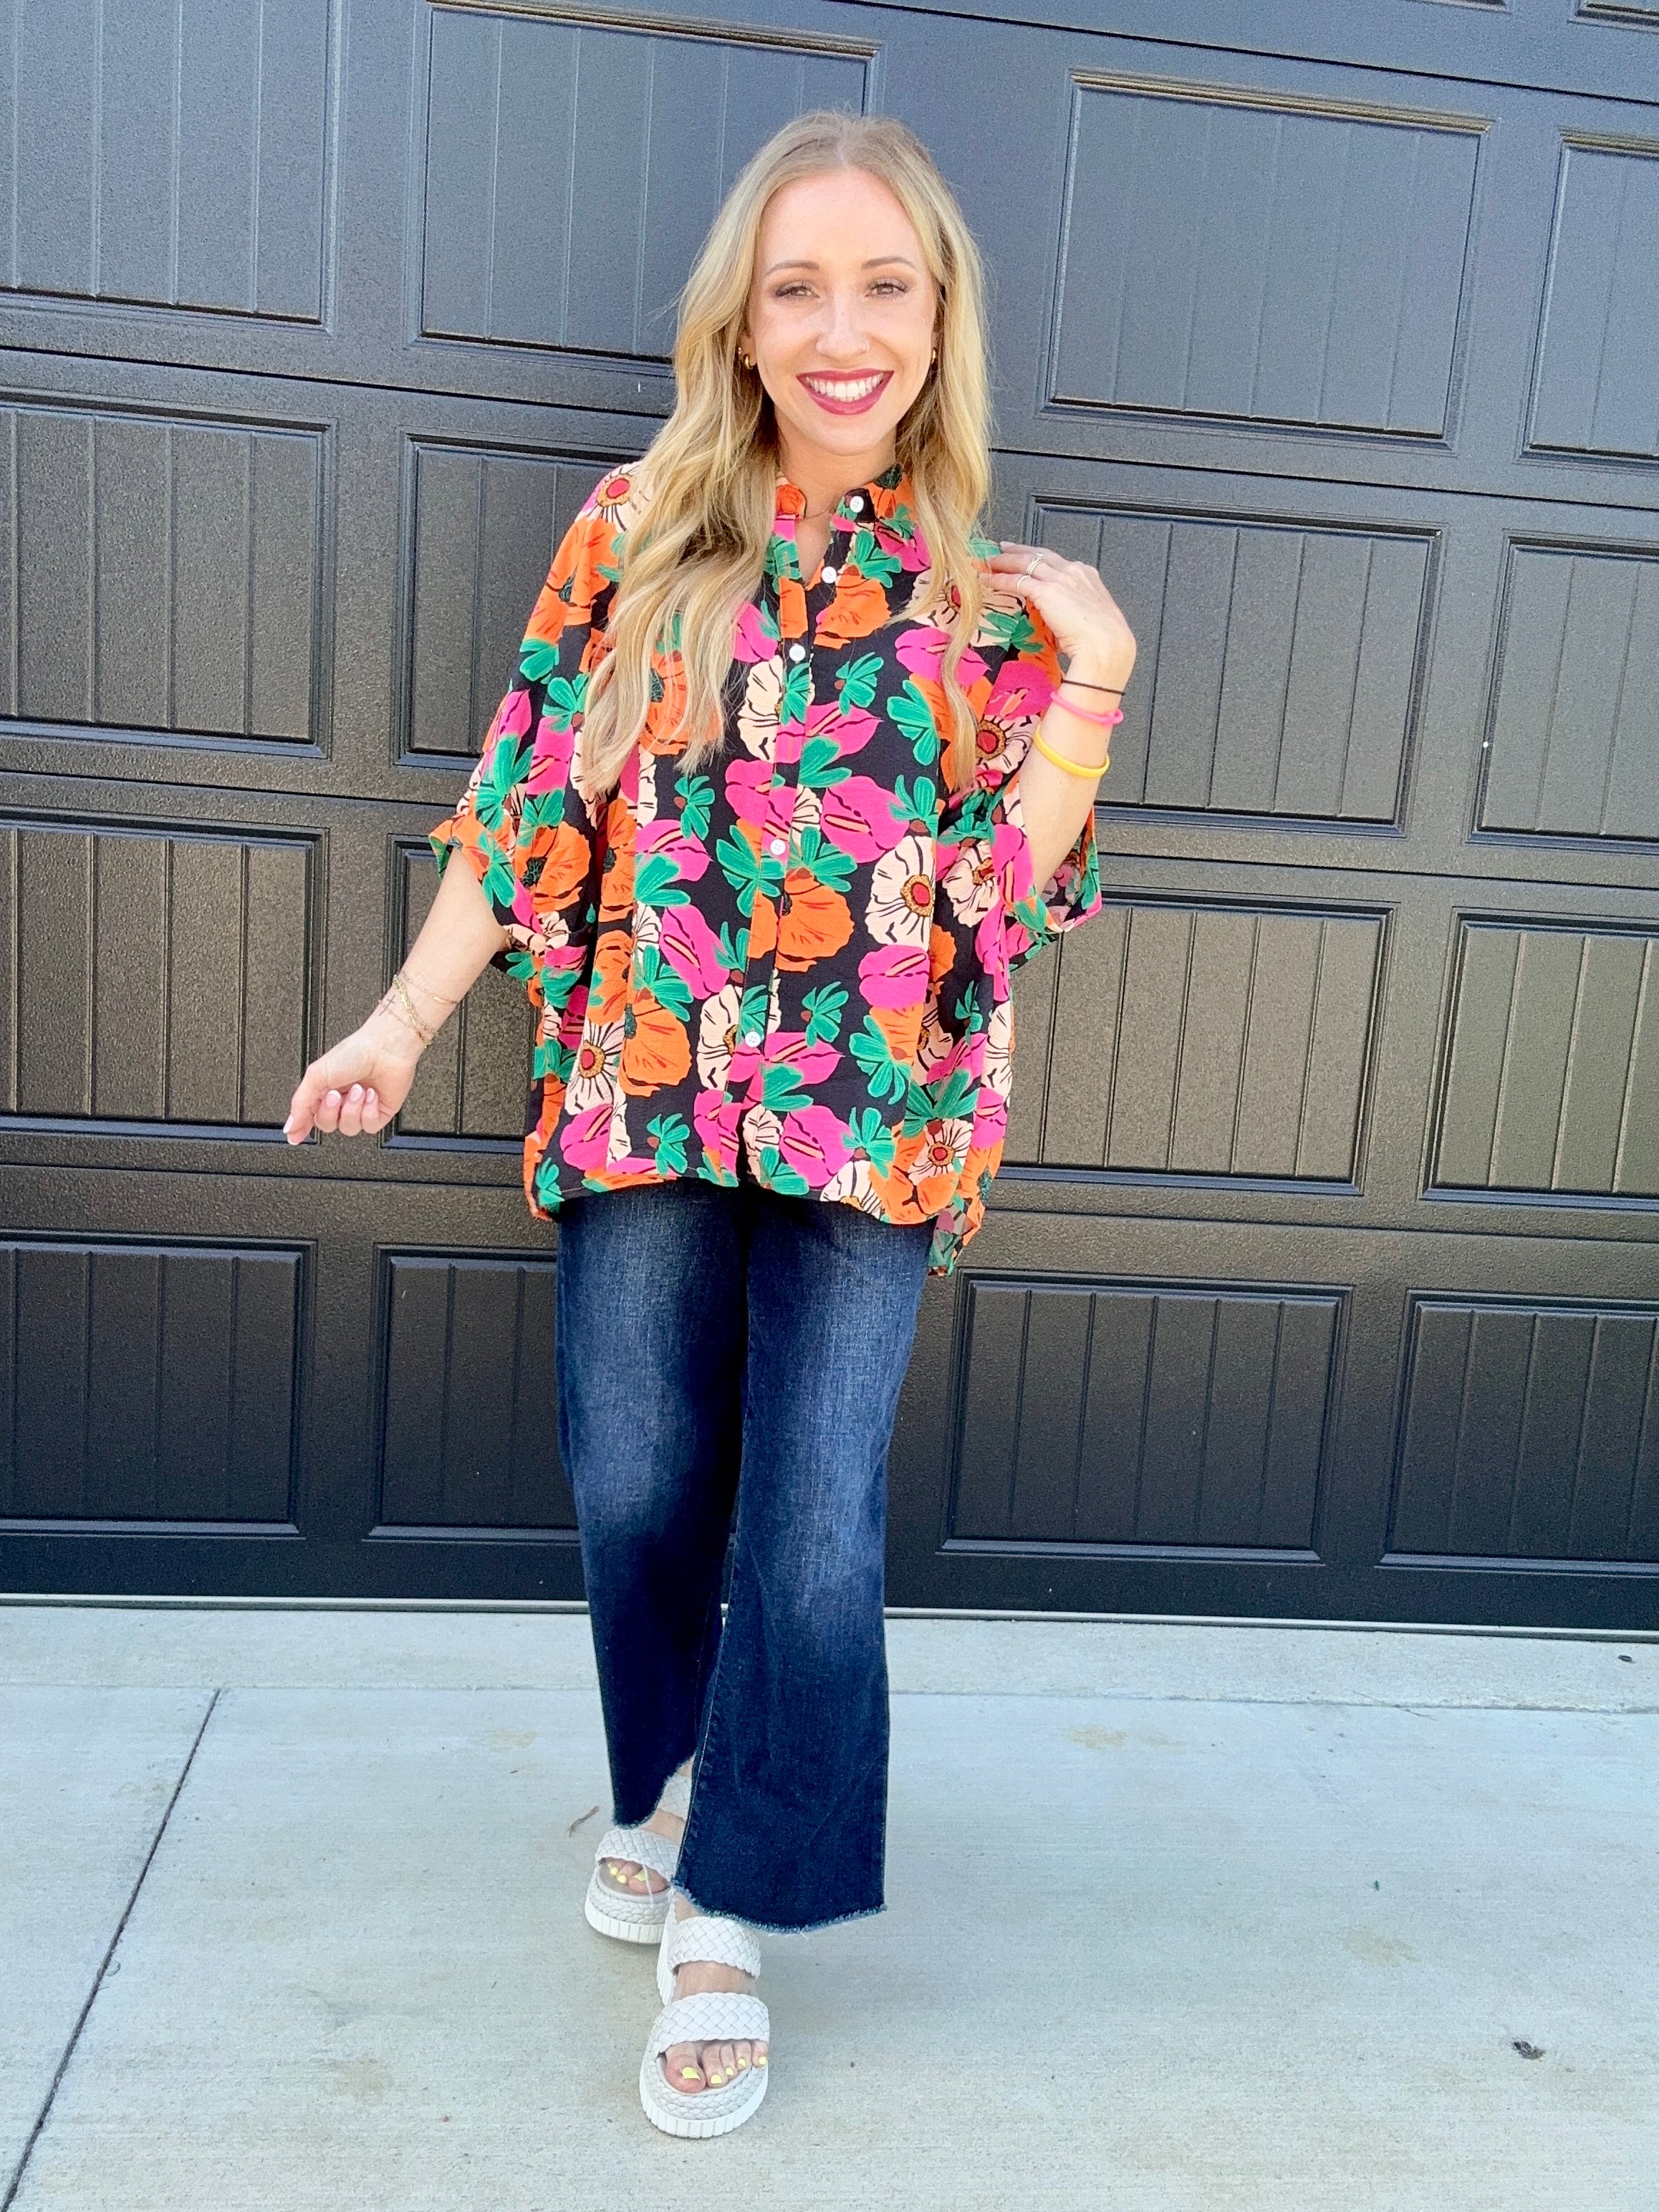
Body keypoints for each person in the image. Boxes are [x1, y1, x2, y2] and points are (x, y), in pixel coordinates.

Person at [284, 108, 1135, 2140]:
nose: (843, 333)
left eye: (884, 288)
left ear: (940, 317)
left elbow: (992, 907)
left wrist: (1094, 689)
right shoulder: (638, 532)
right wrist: (401, 1023)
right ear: (741, 328)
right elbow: (525, 805)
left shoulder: (995, 604)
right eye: (797, 290)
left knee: (812, 1521)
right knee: (639, 1476)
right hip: (645, 1087)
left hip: (876, 1121)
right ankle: (665, 1783)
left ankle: (726, 1907)